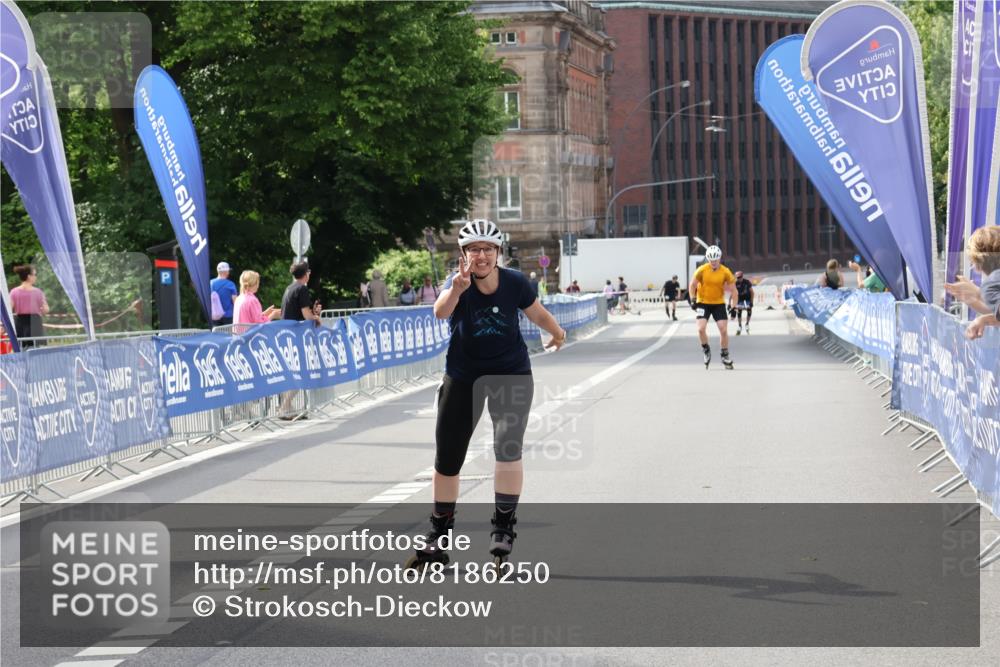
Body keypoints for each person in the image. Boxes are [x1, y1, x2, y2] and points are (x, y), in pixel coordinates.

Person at [408, 219, 567, 571]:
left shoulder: (515, 283)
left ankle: (503, 528)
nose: (480, 256)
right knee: (448, 458)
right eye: (473, 250)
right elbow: (440, 312)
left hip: (510, 374)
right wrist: (458, 289)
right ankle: (438, 536)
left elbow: (536, 312)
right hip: (463, 377)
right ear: (463, 255)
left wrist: (557, 333)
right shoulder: (457, 284)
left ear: (498, 253)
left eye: (488, 249)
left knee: (508, 450)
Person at [279, 262, 322, 419]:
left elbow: (289, 311)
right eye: (309, 272)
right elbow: (305, 315)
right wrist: (316, 317)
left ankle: (288, 408)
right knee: (300, 373)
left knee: (293, 373)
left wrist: (313, 313)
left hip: (286, 335)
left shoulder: (289, 288)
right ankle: (284, 408)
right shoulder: (302, 289)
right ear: (306, 274)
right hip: (296, 336)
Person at [945, 225, 1000, 340]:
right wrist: (977, 297)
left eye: (972, 262)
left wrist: (983, 319)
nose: (973, 267)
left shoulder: (991, 285)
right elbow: (996, 311)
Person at [689, 245, 737, 369]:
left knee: (723, 329)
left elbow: (734, 291)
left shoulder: (725, 271)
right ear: (708, 259)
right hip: (703, 302)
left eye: (715, 260)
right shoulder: (702, 269)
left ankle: (724, 355)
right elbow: (692, 285)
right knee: (700, 329)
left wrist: (734, 307)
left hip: (718, 303)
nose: (713, 262)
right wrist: (693, 299)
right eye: (711, 260)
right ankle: (706, 350)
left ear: (719, 259)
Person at [10, 264, 49, 347]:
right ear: (29, 276)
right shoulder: (38, 292)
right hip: (35, 322)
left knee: (21, 349)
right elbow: (46, 310)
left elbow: (9, 309)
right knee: (36, 351)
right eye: (34, 275)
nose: (36, 277)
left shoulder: (14, 292)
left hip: (20, 323)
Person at [210, 261, 238, 326]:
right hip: (228, 315)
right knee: (228, 335)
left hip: (214, 315)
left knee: (216, 335)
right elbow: (235, 302)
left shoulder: (210, 283)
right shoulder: (230, 284)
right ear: (226, 272)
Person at [733, 271, 754, 335]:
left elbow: (752, 292)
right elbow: (733, 293)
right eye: (737, 277)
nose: (738, 279)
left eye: (739, 277)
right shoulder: (735, 283)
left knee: (749, 310)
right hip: (740, 299)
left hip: (747, 298)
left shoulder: (747, 282)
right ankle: (739, 325)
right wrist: (732, 303)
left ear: (742, 276)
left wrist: (751, 302)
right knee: (739, 311)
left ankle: (747, 324)